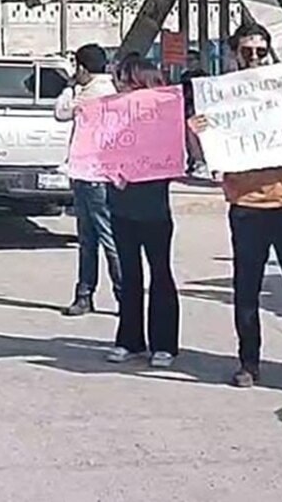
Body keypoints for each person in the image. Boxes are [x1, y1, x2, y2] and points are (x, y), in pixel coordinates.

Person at [188, 22, 282, 391]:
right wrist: (196, 132)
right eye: (247, 50)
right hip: (247, 206)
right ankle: (249, 362)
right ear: (234, 53)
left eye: (260, 50)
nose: (254, 56)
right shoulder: (221, 96)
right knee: (247, 288)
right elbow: (203, 157)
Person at [105, 55, 180, 369]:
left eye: (126, 81)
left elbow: (177, 157)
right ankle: (129, 340)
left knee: (160, 273)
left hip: (154, 210)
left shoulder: (165, 116)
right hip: (121, 206)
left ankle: (164, 344)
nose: (120, 87)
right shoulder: (113, 115)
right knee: (129, 274)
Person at [55, 43, 122, 317]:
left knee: (103, 237)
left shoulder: (93, 93)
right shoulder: (111, 88)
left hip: (95, 176)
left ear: (82, 68)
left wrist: (69, 87)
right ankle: (86, 294)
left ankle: (119, 295)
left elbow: (61, 112)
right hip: (89, 173)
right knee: (90, 237)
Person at [181, 50, 209, 177]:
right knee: (189, 138)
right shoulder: (184, 76)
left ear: (198, 61)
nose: (189, 63)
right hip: (187, 110)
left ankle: (201, 161)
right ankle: (194, 161)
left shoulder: (203, 77)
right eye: (187, 60)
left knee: (198, 137)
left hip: (199, 110)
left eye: (191, 60)